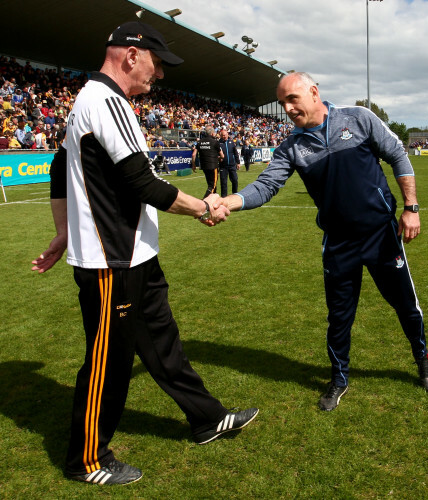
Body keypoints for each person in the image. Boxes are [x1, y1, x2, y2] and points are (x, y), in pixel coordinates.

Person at [31, 21, 258, 486]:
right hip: (110, 261)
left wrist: (60, 231)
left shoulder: (94, 101)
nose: (159, 77)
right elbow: (143, 183)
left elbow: (59, 168)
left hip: (135, 257)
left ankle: (205, 418)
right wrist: (204, 208)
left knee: (163, 344)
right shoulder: (106, 101)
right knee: (106, 364)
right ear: (132, 55)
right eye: (157, 64)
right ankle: (86, 459)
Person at [221, 72, 428, 412]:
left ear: (314, 92)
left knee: (405, 305)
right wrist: (229, 201)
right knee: (339, 318)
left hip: (381, 235)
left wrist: (411, 208)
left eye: (293, 98)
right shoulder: (292, 147)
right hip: (338, 244)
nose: (288, 108)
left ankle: (422, 358)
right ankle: (339, 379)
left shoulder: (358, 118)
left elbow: (397, 154)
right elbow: (265, 186)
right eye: (282, 103)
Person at [192, 125, 224, 198]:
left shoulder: (199, 142)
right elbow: (222, 155)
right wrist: (219, 158)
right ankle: (204, 203)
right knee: (212, 186)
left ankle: (213, 201)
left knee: (210, 184)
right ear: (212, 134)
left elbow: (194, 154)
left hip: (204, 166)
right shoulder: (215, 142)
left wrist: (193, 165)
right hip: (213, 166)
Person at [219, 129, 240, 197]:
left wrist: (238, 162)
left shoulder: (231, 142)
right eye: (222, 135)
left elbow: (235, 153)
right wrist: (218, 157)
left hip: (232, 165)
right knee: (223, 182)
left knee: (235, 180)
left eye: (225, 135)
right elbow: (215, 153)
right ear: (220, 136)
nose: (224, 136)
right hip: (223, 166)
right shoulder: (218, 143)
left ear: (227, 135)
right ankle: (223, 197)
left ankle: (235, 194)